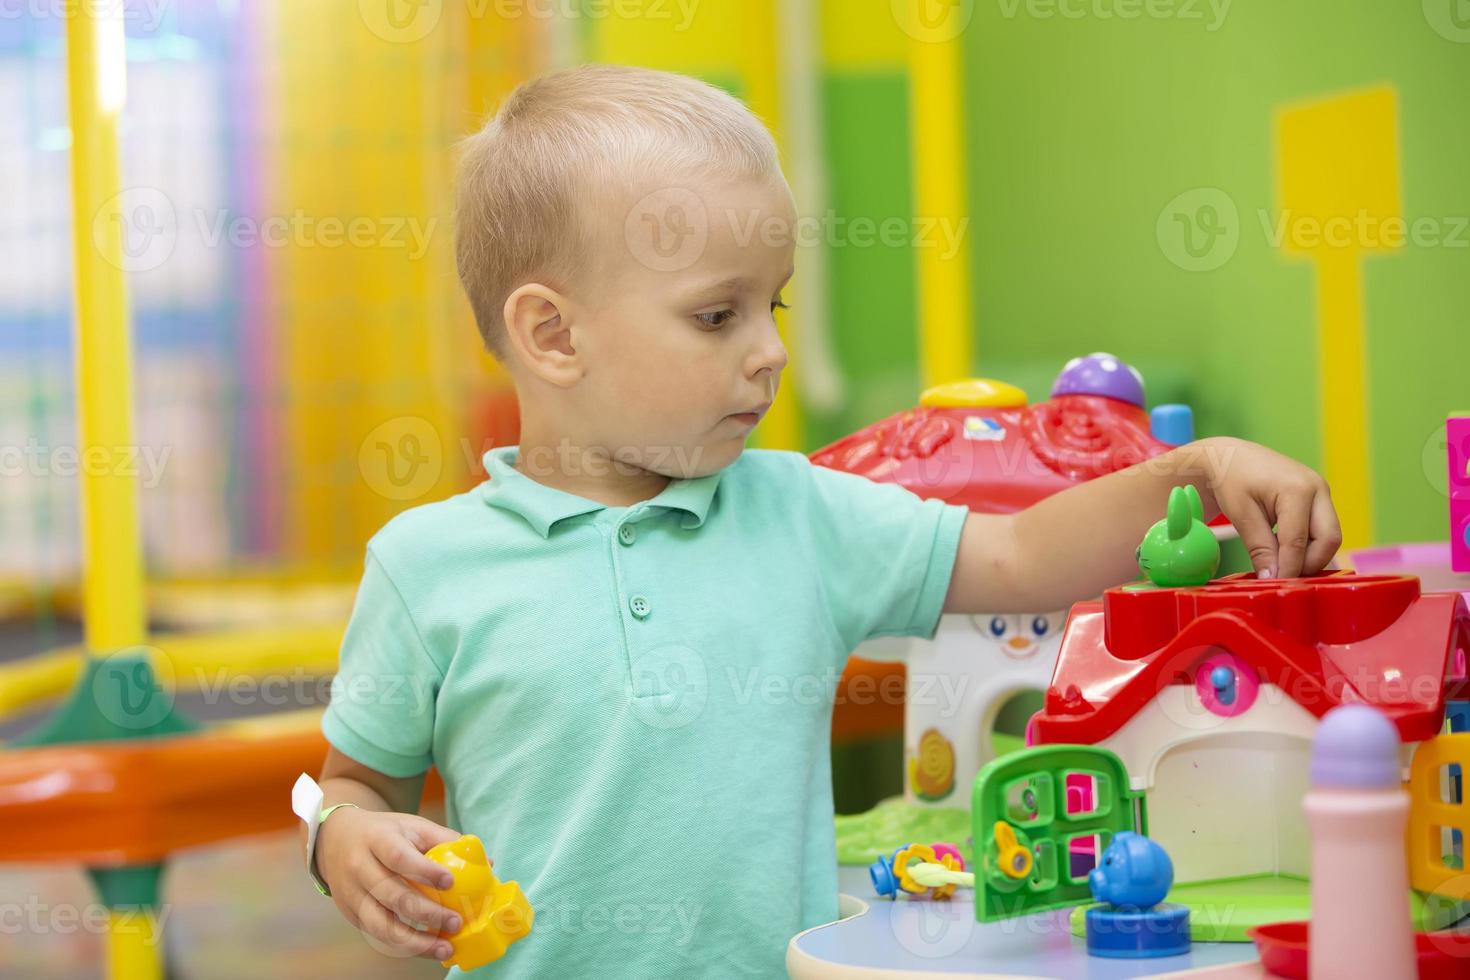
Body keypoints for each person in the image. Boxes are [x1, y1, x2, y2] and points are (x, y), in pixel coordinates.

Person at [301, 64, 1340, 978]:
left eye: (776, 306)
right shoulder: (424, 567)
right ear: (552, 333)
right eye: (719, 314)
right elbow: (358, 778)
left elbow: (1021, 551)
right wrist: (343, 838)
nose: (770, 351)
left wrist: (1193, 472)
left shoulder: (800, 513)